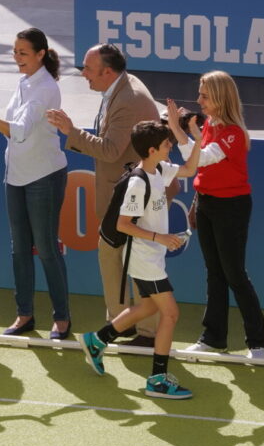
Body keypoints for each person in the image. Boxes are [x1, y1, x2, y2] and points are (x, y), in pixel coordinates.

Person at [47, 43, 162, 347]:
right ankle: (121, 323)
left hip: (133, 199)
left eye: (88, 68)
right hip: (122, 196)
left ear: (107, 72)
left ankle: (148, 332)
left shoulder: (128, 99)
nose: (83, 74)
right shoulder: (120, 89)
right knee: (112, 258)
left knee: (136, 263)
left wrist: (71, 132)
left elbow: (110, 151)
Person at [81, 114, 200, 399]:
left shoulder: (160, 169)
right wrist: (160, 238)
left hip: (151, 257)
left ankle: (97, 340)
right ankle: (157, 379)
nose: (170, 146)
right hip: (144, 260)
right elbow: (123, 224)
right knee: (170, 313)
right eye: (166, 144)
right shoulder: (138, 182)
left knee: (147, 307)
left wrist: (194, 136)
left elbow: (190, 168)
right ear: (152, 150)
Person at [0, 28, 70, 339]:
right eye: (15, 52)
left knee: (46, 248)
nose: (17, 57)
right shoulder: (24, 82)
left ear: (41, 54)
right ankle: (24, 315)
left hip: (44, 175)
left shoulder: (45, 87)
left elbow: (18, 131)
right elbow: (15, 132)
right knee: (19, 249)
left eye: (23, 53)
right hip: (15, 176)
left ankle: (62, 318)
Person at [174, 70, 264, 358]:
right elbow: (199, 166)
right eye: (200, 94)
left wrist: (180, 131)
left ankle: (258, 343)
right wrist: (196, 203)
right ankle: (213, 338)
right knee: (214, 273)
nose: (198, 100)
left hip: (232, 207)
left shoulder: (233, 132)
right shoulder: (210, 125)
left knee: (234, 275)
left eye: (204, 96)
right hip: (206, 203)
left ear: (219, 98)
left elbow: (201, 158)